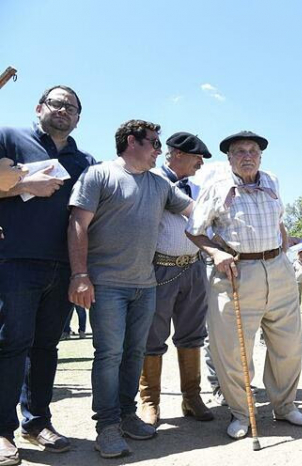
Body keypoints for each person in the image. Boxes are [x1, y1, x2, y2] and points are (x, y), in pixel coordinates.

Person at [67, 120, 193, 458]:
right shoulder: (99, 175)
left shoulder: (160, 185)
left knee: (134, 354)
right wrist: (80, 274)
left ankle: (126, 415)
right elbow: (78, 223)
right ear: (130, 141)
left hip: (145, 285)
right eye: (153, 142)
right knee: (109, 356)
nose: (159, 150)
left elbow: (196, 213)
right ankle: (106, 426)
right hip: (106, 285)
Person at [185, 130, 302, 441]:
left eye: (252, 150)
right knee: (233, 352)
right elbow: (194, 230)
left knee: (289, 346)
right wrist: (215, 253)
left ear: (260, 155)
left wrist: (284, 242)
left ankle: (284, 406)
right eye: (239, 151)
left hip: (278, 270)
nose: (247, 156)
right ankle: (242, 413)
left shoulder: (273, 182)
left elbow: (278, 218)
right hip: (236, 273)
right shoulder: (216, 187)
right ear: (229, 158)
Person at [0, 85, 95, 466]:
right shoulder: (8, 138)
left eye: (71, 107)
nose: (63, 110)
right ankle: (3, 430)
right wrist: (24, 185)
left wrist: (82, 270)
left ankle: (37, 423)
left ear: (78, 118)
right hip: (15, 260)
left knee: (46, 349)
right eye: (56, 103)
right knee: (10, 344)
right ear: (39, 107)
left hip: (62, 267)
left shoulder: (84, 159)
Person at [138, 132, 214, 427]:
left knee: (193, 333)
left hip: (194, 267)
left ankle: (192, 397)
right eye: (197, 158)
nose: (200, 164)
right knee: (152, 336)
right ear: (178, 155)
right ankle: (149, 401)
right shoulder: (151, 180)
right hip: (158, 268)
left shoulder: (199, 187)